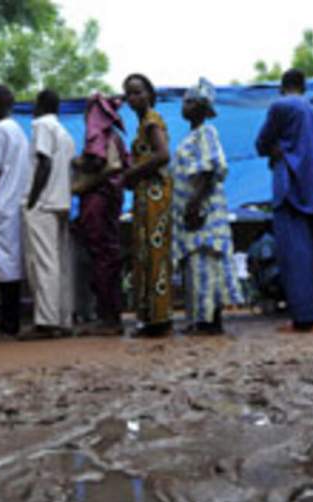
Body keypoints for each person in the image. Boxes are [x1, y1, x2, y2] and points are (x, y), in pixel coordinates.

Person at [255, 68, 313, 332]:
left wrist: (275, 150)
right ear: (304, 86)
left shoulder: (281, 106)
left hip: (289, 185)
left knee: (293, 254)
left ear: (282, 86)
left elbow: (261, 143)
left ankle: (304, 317)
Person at [171, 78, 243, 336]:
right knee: (195, 265)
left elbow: (209, 169)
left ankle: (209, 321)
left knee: (205, 264)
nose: (184, 105)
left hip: (203, 211)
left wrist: (194, 205)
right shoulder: (193, 135)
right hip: (193, 210)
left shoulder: (206, 133)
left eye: (189, 101)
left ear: (201, 107)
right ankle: (201, 319)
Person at [121, 73, 173, 337]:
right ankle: (152, 317)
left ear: (150, 94)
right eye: (129, 93)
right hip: (146, 194)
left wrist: (132, 174)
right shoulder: (144, 123)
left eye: (138, 92)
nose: (134, 98)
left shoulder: (152, 120)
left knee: (154, 255)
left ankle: (158, 319)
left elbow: (163, 155)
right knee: (146, 255)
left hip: (155, 194)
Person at [71, 92, 128, 335]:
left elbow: (111, 166)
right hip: (108, 202)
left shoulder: (101, 137)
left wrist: (80, 185)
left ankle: (108, 319)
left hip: (99, 202)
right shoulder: (114, 137)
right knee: (106, 257)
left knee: (102, 258)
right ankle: (109, 314)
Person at [21, 89, 75, 339]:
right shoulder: (64, 133)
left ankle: (46, 320)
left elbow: (44, 163)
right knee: (58, 262)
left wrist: (32, 199)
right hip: (61, 201)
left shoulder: (41, 125)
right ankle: (62, 318)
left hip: (43, 202)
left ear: (40, 105)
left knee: (42, 262)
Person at [0, 85, 31, 338]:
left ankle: (9, 322)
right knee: (12, 263)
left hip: (3, 204)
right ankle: (11, 318)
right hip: (15, 203)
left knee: (5, 264)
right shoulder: (18, 131)